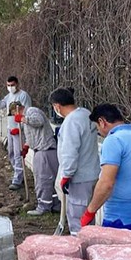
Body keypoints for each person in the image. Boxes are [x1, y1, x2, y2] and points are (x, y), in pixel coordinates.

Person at [81, 104, 131, 231]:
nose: (99, 131)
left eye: (97, 127)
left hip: (121, 219)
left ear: (102, 122)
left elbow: (106, 184)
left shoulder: (113, 140)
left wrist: (90, 212)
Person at [49, 87, 100, 235]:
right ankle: (90, 244)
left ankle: (80, 249)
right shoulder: (86, 114)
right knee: (89, 215)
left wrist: (66, 175)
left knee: (78, 218)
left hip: (79, 177)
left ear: (57, 106)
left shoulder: (71, 122)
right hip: (92, 173)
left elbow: (70, 152)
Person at [13, 102, 60, 216]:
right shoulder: (27, 117)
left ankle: (43, 207)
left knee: (42, 180)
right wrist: (26, 147)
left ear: (16, 110)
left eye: (13, 114)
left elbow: (39, 121)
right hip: (48, 151)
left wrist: (23, 119)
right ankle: (55, 205)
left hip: (44, 151)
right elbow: (33, 136)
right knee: (51, 180)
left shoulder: (31, 111)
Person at [0, 76, 32, 190]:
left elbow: (27, 112)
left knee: (18, 154)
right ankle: (17, 171)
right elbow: (0, 106)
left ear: (17, 84)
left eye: (12, 85)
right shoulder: (8, 96)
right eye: (8, 85)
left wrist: (21, 126)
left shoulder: (23, 96)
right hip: (11, 129)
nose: (10, 87)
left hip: (19, 130)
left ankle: (17, 180)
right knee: (10, 152)